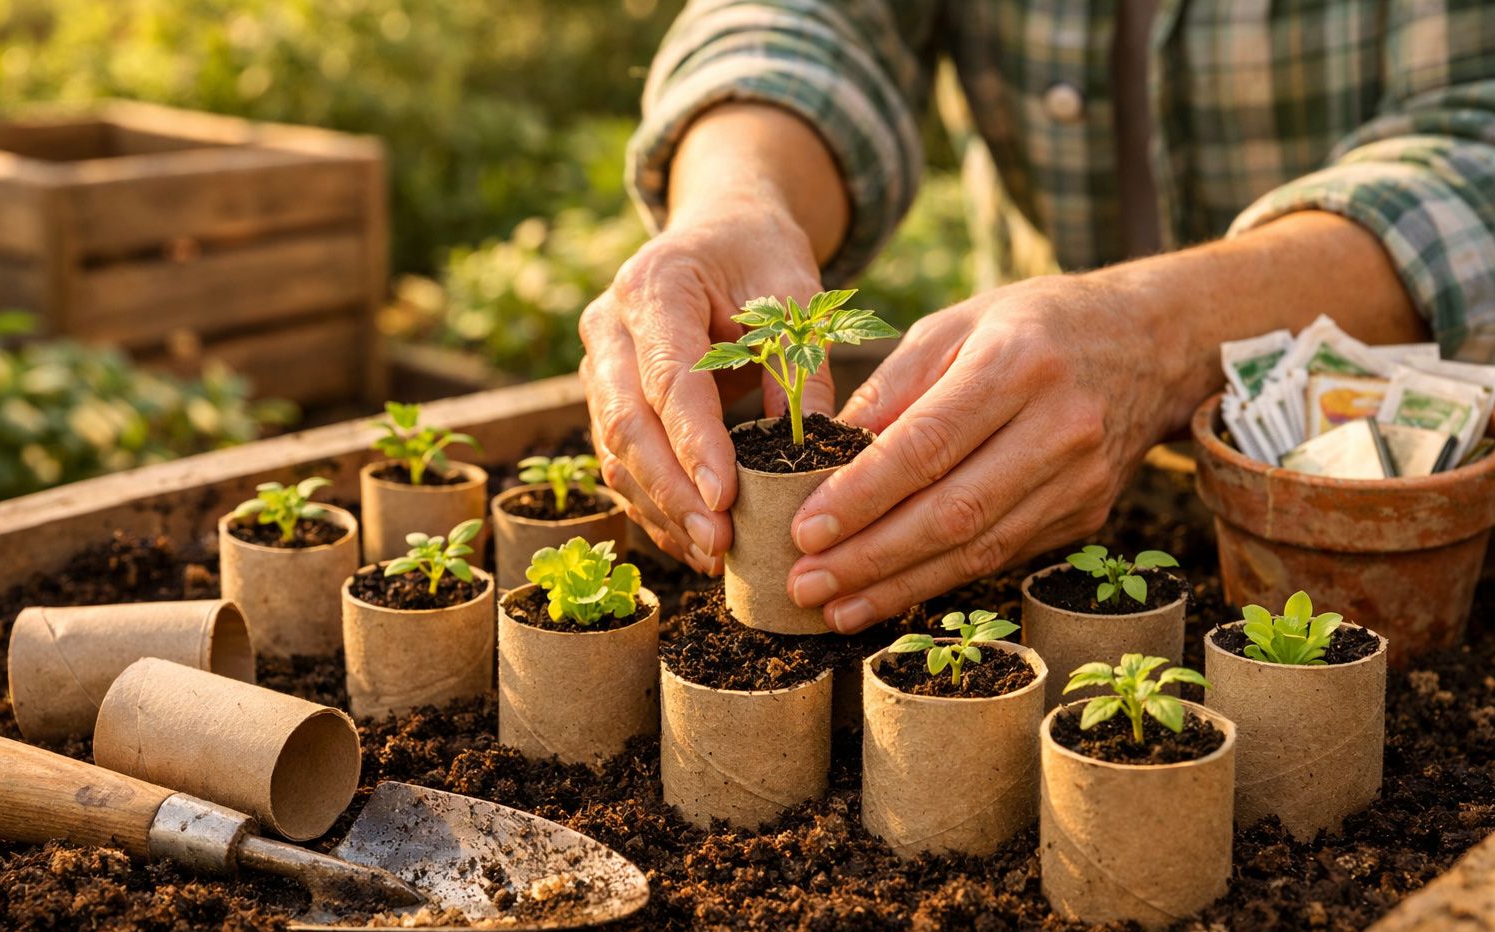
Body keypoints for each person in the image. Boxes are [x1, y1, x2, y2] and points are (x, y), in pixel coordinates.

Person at [579, 0, 1495, 633]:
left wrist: (1161, 333)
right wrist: (738, 199)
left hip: (1415, 502)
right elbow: (805, 19)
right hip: (1032, 435)